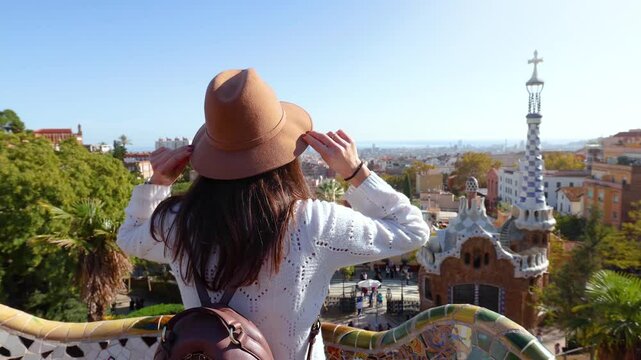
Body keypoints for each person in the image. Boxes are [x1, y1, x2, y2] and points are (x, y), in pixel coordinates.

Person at [117, 68, 430, 360]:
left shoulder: (178, 222)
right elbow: (412, 229)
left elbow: (129, 237)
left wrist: (157, 183)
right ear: (284, 153)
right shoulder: (312, 224)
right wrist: (356, 173)